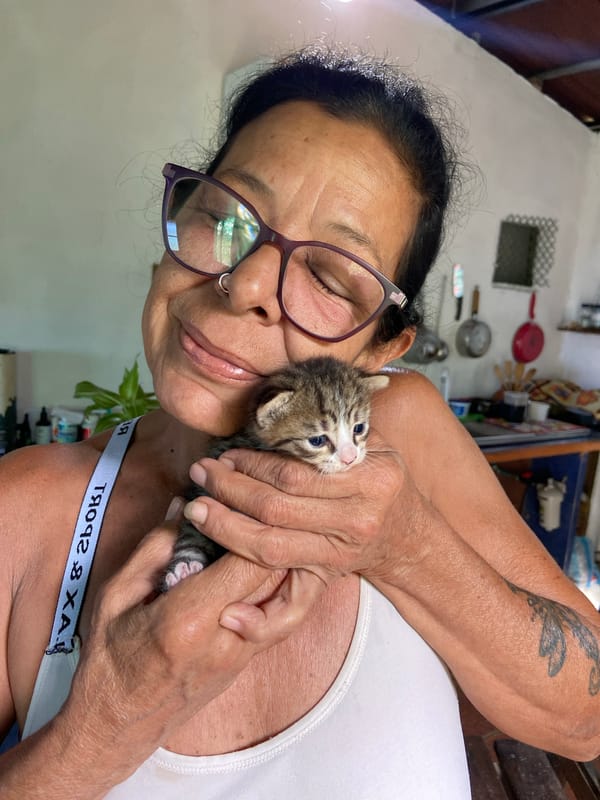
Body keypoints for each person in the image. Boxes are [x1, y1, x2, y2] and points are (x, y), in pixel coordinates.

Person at [0, 44, 598, 799]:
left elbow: (587, 717)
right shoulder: (21, 507)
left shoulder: (398, 433)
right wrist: (102, 728)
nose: (245, 282)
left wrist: (405, 550)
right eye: (224, 220)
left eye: (327, 276)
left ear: (382, 350)